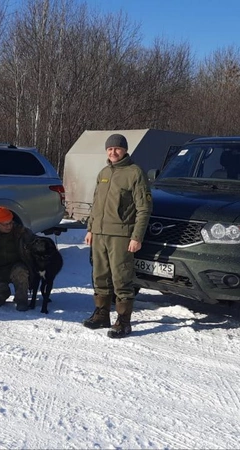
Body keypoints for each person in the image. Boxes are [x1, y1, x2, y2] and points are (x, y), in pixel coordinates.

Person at [83, 134, 152, 338]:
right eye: (110, 149)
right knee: (100, 276)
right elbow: (96, 204)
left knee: (121, 278)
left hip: (121, 235)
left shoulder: (134, 173)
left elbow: (144, 208)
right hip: (99, 234)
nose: (113, 152)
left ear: (125, 150)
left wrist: (136, 237)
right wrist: (90, 229)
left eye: (117, 149)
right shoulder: (104, 172)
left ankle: (123, 321)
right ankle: (102, 314)